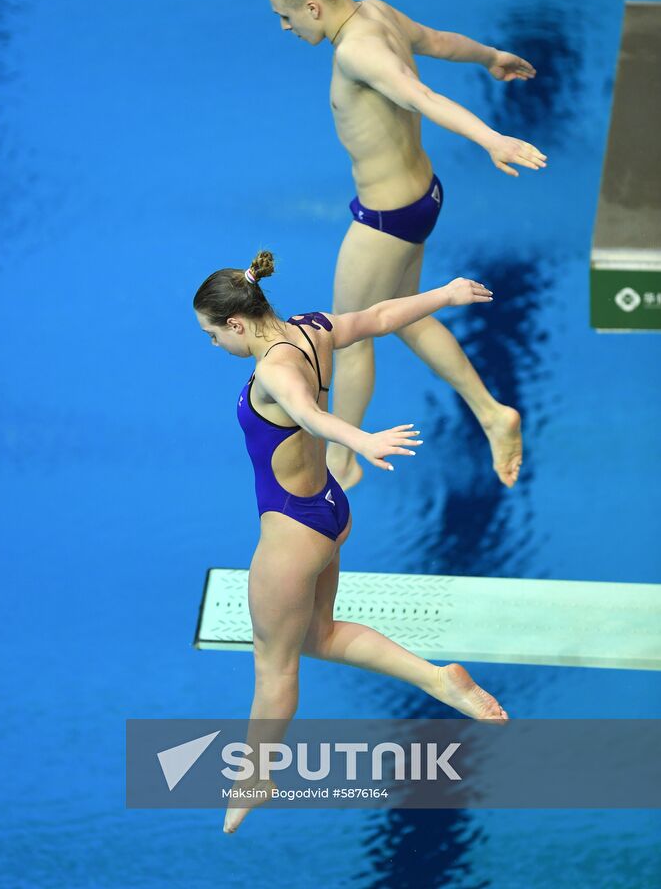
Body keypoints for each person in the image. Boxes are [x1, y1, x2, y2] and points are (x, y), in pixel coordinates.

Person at [193, 250, 508, 834]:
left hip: (291, 534)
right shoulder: (313, 328)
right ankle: (437, 679)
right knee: (319, 634)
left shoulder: (273, 370)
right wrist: (444, 293)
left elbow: (308, 415)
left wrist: (359, 439)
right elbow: (383, 316)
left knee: (275, 669)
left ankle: (257, 775)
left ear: (237, 323)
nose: (214, 346)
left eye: (213, 335)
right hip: (329, 509)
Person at [266, 0, 547, 491]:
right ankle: (491, 413)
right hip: (421, 196)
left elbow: (420, 95)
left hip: (386, 218)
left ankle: (343, 465)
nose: (285, 27)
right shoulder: (377, 12)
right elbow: (439, 42)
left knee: (347, 336)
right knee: (407, 315)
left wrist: (494, 139)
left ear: (313, 6)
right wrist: (490, 56)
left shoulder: (358, 51)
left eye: (286, 16)